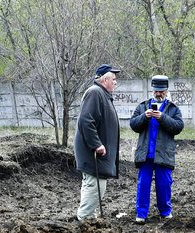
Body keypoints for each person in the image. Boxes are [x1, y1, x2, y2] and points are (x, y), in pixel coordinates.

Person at [129, 75, 185, 224]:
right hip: (145, 154)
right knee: (143, 185)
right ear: (152, 90)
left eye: (161, 91)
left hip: (163, 155)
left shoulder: (173, 109)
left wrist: (162, 117)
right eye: (156, 91)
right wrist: (144, 117)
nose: (158, 94)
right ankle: (141, 214)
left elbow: (178, 127)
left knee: (164, 184)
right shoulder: (143, 106)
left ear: (166, 91)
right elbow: (133, 124)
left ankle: (165, 212)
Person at [73, 64, 121, 221]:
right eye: (113, 79)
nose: (115, 82)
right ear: (105, 79)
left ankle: (88, 220)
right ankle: (82, 222)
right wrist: (97, 144)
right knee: (94, 187)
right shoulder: (95, 93)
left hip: (97, 156)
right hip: (93, 154)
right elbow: (86, 121)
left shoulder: (102, 94)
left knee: (94, 187)